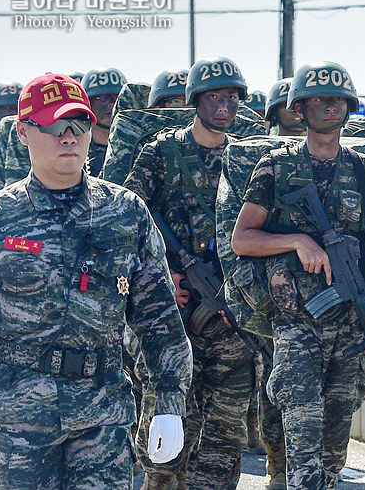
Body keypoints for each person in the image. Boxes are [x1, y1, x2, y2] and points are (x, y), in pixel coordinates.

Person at [0, 72, 192, 489]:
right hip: (18, 419)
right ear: (24, 132)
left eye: (80, 124)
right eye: (53, 125)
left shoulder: (125, 213)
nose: (69, 136)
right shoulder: (2, 217)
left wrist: (169, 402)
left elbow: (158, 319)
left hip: (102, 415)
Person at [232, 60, 365, 490]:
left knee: (335, 441)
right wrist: (298, 243)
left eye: (339, 99)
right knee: (302, 432)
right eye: (320, 99)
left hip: (348, 319)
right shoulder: (275, 166)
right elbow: (243, 238)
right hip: (296, 319)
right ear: (299, 109)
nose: (331, 107)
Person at [124, 56, 255, 490]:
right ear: (194, 100)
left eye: (232, 96)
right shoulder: (162, 152)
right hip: (172, 318)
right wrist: (163, 277)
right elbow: (130, 222)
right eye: (214, 96)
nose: (224, 105)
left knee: (223, 435)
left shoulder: (247, 157)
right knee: (166, 434)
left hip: (231, 315)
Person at [82, 67, 127, 177]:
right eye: (103, 98)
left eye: (117, 98)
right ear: (89, 103)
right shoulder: (77, 147)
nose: (111, 104)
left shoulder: (136, 148)